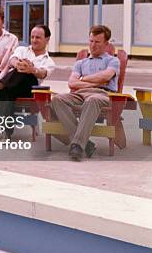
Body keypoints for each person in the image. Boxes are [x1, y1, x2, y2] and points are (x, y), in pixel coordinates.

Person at [51, 25, 120, 161]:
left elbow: (105, 77)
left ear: (106, 44)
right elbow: (72, 83)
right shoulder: (81, 63)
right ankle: (85, 143)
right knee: (57, 99)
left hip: (102, 94)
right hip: (80, 94)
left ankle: (77, 145)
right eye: (91, 41)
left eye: (97, 42)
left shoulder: (113, 61)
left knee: (92, 100)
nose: (93, 45)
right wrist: (95, 81)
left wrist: (83, 79)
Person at [0, 24, 55, 138]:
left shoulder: (49, 61)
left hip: (30, 90)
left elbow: (43, 73)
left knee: (24, 74)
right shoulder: (22, 49)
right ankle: (7, 133)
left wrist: (32, 69)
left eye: (38, 37)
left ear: (47, 39)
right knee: (8, 89)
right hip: (13, 85)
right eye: (32, 37)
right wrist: (18, 65)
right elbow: (12, 60)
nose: (34, 40)